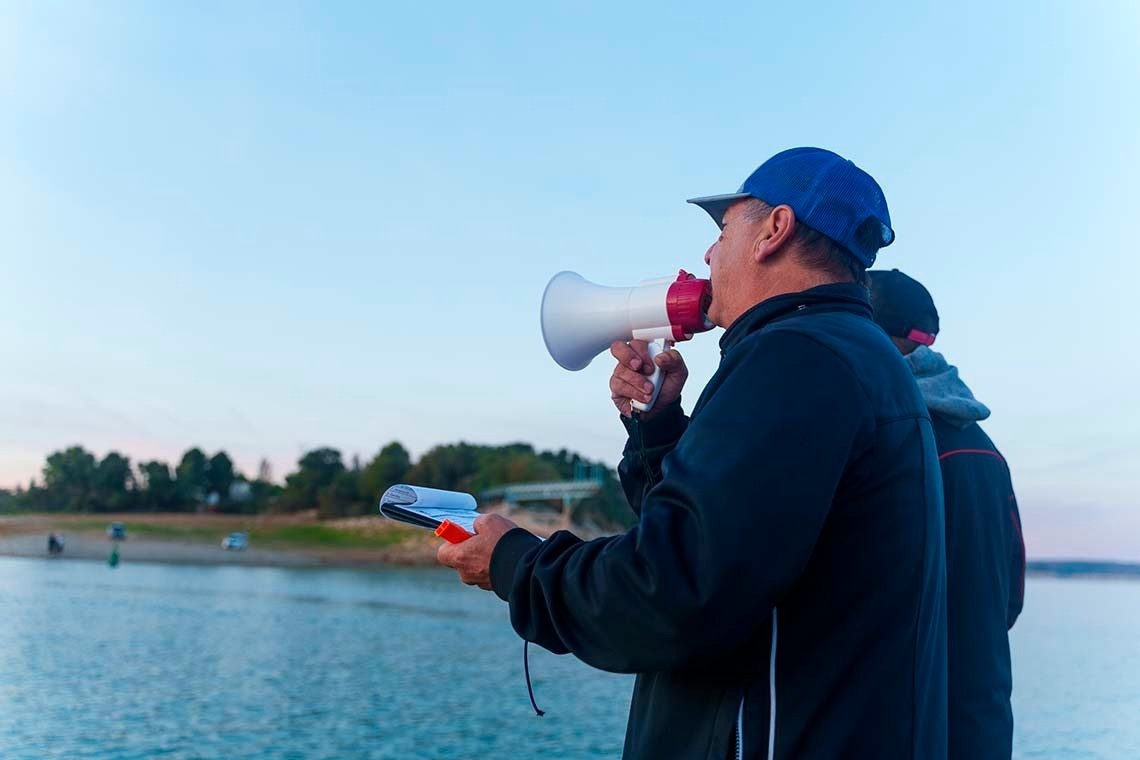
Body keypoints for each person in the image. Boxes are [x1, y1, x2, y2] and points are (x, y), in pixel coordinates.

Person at [439, 147, 948, 759]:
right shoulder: (849, 356)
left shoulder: (795, 360)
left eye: (723, 230)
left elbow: (671, 592)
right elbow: (723, 540)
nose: (708, 256)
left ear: (774, 231)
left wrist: (516, 564)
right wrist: (658, 428)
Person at [868, 269, 1026, 760]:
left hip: (905, 726)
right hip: (982, 725)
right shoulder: (986, 450)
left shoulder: (884, 439)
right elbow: (1011, 601)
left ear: (868, 331)